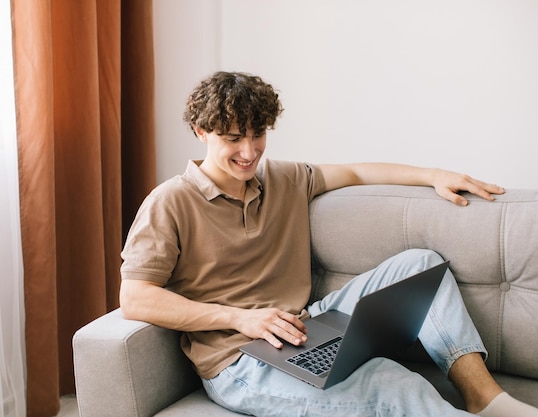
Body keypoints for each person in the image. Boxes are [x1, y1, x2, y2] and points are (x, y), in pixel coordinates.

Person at [120, 71, 538, 416]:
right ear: (200, 131)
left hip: (304, 325)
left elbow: (355, 172)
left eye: (257, 134)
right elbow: (136, 298)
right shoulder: (170, 201)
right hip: (239, 361)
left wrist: (433, 174)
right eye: (232, 138)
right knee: (392, 384)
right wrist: (240, 318)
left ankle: (485, 398)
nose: (249, 152)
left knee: (421, 264)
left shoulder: (283, 178)